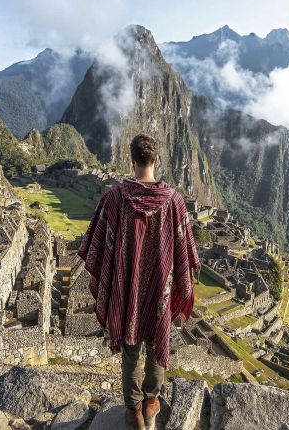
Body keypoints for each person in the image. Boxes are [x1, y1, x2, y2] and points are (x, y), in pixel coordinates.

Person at [78, 134, 201, 430]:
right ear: (156, 160)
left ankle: (133, 410)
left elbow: (97, 248)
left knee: (131, 349)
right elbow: (184, 252)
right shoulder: (174, 202)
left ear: (131, 160)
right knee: (158, 341)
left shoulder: (114, 199)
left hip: (127, 290)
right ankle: (151, 401)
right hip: (160, 289)